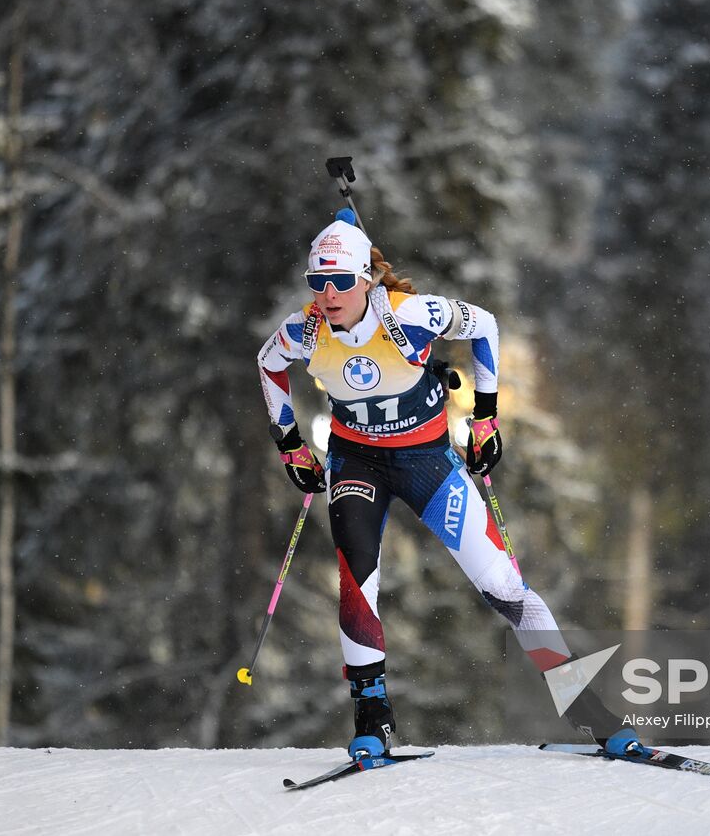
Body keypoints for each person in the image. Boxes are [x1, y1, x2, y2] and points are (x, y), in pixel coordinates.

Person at [257, 208, 636, 759]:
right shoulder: (306, 330)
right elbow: (268, 364)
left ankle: (587, 709)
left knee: (504, 588)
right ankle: (372, 719)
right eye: (318, 281)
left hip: (426, 463)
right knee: (356, 579)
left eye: (341, 280)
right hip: (357, 463)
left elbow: (484, 325)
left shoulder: (411, 316)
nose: (329, 293)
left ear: (366, 278)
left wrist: (485, 418)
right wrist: (290, 443)